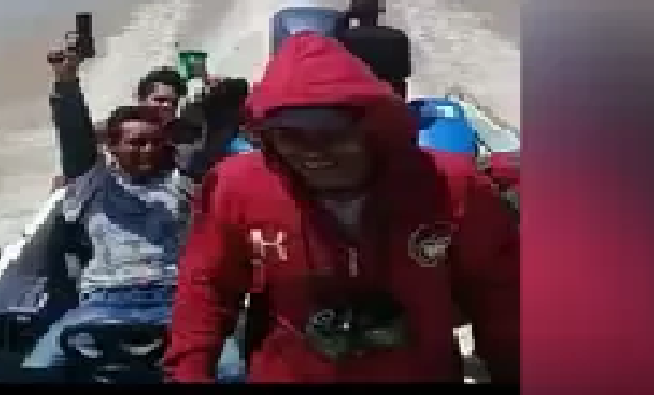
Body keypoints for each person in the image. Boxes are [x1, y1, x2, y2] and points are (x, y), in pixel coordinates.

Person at [164, 31, 519, 383]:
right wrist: (189, 373)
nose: (312, 151)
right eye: (290, 135)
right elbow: (207, 287)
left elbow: (500, 296)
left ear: (371, 127)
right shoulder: (237, 187)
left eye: (331, 133)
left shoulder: (450, 185)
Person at [27, 45, 243, 380]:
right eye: (137, 143)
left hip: (175, 299)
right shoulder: (93, 183)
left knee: (231, 369)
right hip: (103, 302)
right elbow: (73, 138)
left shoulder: (182, 181)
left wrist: (222, 96)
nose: (148, 150)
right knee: (38, 368)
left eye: (155, 142)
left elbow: (215, 136)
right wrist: (67, 81)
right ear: (112, 147)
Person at [335, 0, 412, 100]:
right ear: (377, 14)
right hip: (392, 97)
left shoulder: (343, 38)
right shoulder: (398, 36)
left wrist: (344, 19)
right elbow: (406, 72)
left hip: (357, 97)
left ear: (353, 15)